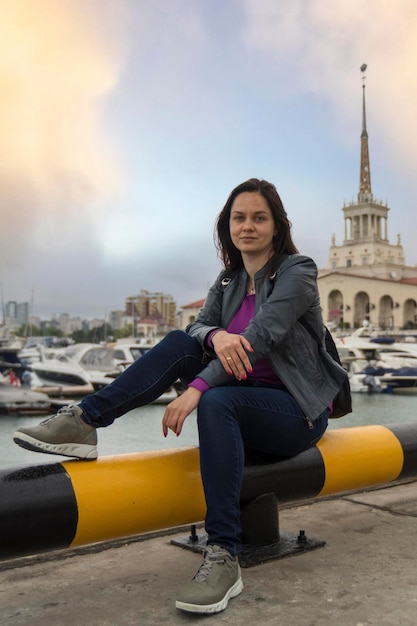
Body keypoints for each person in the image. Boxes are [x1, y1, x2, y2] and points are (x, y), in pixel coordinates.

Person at [13, 178, 347, 615]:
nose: (247, 226)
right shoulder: (228, 279)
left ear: (277, 225)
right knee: (179, 342)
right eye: (238, 217)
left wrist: (197, 387)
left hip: (295, 410)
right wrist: (217, 334)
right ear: (227, 225)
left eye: (259, 218)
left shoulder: (297, 271)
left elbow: (262, 335)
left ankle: (224, 554)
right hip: (244, 392)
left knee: (216, 401)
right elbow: (195, 328)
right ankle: (85, 421)